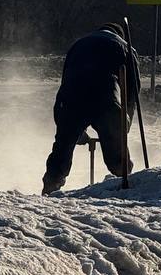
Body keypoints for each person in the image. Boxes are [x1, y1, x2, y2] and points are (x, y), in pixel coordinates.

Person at [42, 23, 140, 195]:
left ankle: (50, 186)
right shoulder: (126, 48)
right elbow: (132, 94)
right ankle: (125, 185)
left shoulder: (78, 45)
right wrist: (123, 126)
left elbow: (64, 84)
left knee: (63, 146)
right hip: (106, 100)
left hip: (72, 98)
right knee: (117, 152)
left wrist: (73, 131)